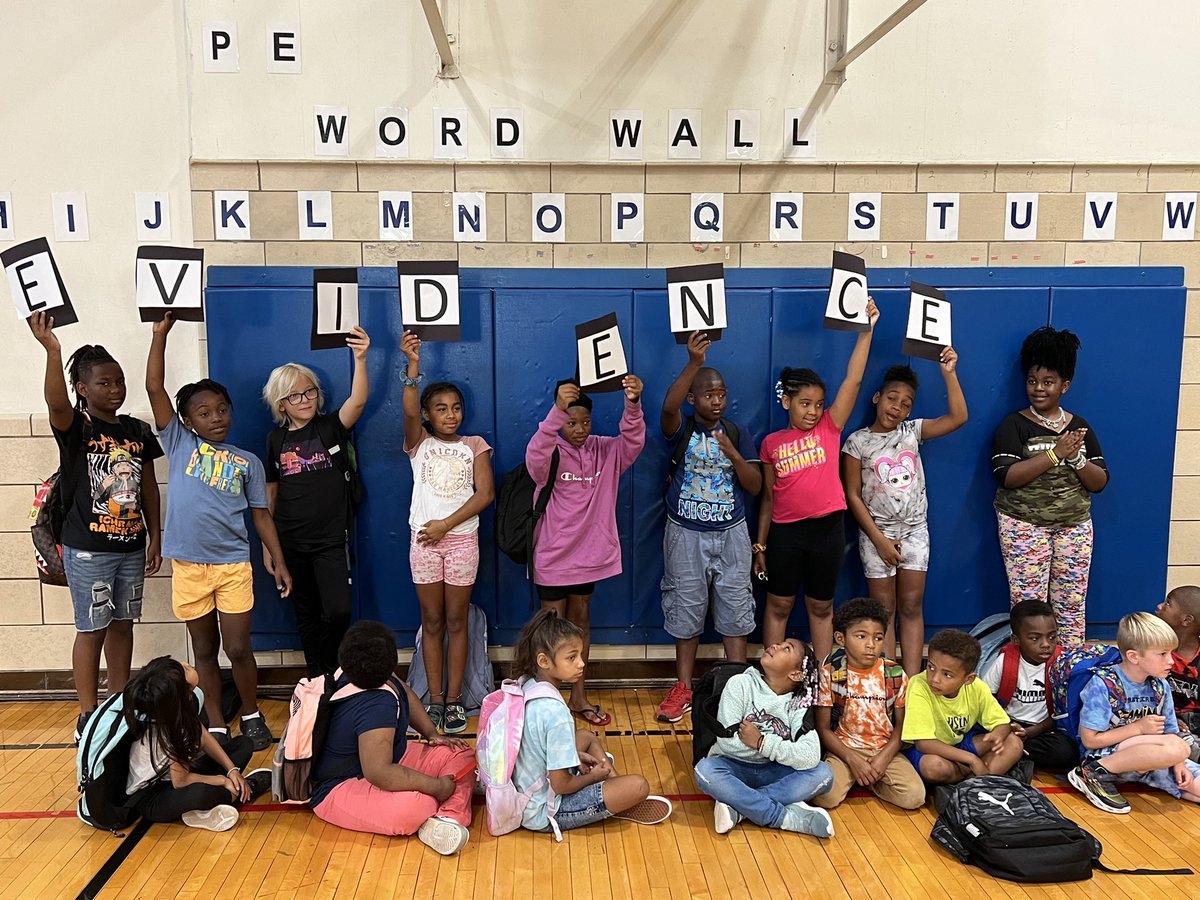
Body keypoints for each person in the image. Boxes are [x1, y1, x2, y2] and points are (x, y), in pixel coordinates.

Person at [146, 312, 292, 750]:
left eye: (222, 410)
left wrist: (279, 562)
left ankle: (250, 713)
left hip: (232, 566)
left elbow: (261, 516)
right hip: (190, 567)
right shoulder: (178, 443)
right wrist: (160, 335)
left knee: (239, 646)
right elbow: (155, 388)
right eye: (204, 412)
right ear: (187, 420)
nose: (216, 418)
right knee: (204, 650)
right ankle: (213, 720)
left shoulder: (246, 461)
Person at [29, 312, 163, 742]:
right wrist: (53, 351)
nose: (116, 389)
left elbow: (148, 489)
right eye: (104, 383)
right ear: (83, 390)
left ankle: (119, 702)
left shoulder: (137, 430)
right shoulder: (77, 428)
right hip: (87, 547)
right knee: (92, 627)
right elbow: (55, 404)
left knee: (123, 624)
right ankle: (87, 713)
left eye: (119, 381)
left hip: (130, 544)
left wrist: (155, 535)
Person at [755, 299, 879, 660]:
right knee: (778, 605)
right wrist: (760, 546)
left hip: (827, 530)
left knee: (822, 608)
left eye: (818, 404)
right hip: (785, 534)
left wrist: (867, 331)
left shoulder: (830, 427)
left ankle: (823, 680)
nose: (813, 411)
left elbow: (853, 379)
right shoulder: (770, 444)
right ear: (787, 403)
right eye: (805, 403)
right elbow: (767, 499)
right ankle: (772, 676)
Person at [526, 376, 645, 727]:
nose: (578, 429)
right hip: (552, 555)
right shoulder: (549, 449)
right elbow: (534, 457)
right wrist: (555, 412)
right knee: (549, 629)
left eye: (585, 422)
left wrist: (633, 403)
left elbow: (633, 441)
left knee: (579, 627)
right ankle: (547, 701)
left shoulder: (605, 450)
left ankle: (578, 697)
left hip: (589, 557)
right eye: (570, 422)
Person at [656, 331, 762, 723]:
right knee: (686, 610)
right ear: (693, 399)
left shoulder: (737, 432)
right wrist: (694, 364)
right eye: (707, 394)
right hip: (685, 532)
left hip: (731, 532)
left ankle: (739, 688)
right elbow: (667, 409)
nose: (716, 400)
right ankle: (683, 687)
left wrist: (733, 452)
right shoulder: (681, 428)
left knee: (736, 608)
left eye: (721, 394)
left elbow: (755, 486)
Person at [841, 352, 967, 674]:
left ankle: (912, 684)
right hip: (876, 534)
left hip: (914, 531)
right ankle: (887, 680)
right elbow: (852, 496)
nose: (897, 407)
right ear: (877, 398)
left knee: (911, 606)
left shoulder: (911, 431)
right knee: (884, 610)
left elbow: (958, 417)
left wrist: (948, 373)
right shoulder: (857, 442)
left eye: (906, 403)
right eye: (892, 398)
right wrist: (880, 541)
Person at [310, 620, 477, 854]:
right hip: (338, 788)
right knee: (419, 804)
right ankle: (441, 812)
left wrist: (432, 734)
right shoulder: (375, 705)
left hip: (387, 762)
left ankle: (447, 820)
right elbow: (379, 772)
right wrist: (437, 787)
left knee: (461, 755)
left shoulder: (355, 672)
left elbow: (405, 693)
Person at [262, 326, 371, 677]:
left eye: (310, 392)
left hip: (329, 541)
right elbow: (271, 496)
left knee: (338, 611)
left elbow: (358, 401)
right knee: (305, 614)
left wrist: (361, 358)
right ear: (281, 404)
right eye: (296, 396)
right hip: (291, 541)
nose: (306, 399)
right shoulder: (275, 440)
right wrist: (270, 550)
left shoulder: (329, 428)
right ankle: (316, 680)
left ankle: (333, 669)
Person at [400, 330, 494, 735]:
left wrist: (445, 525)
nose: (451, 415)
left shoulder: (474, 444)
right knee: (432, 620)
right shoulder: (417, 442)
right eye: (441, 409)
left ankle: (455, 699)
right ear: (427, 415)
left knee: (458, 620)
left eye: (456, 408)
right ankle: (434, 700)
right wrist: (413, 368)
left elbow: (485, 494)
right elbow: (406, 412)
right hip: (423, 543)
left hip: (460, 542)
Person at [992, 326, 1108, 648]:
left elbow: (1100, 482)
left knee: (1071, 605)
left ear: (1065, 385)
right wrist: (1056, 453)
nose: (1038, 389)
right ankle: (1029, 679)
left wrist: (1076, 460)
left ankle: (1067, 673)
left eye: (1048, 382)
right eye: (1032, 381)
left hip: (1074, 527)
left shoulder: (1080, 426)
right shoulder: (1013, 424)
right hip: (1024, 527)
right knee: (1029, 606)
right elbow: (1007, 476)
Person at [510, 609, 671, 834]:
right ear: (544, 661)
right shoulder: (556, 713)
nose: (581, 664)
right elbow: (561, 785)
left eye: (581, 654)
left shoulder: (526, 685)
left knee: (585, 736)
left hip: (522, 793)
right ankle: (619, 800)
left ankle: (615, 792)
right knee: (639, 785)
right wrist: (594, 777)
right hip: (545, 811)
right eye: (571, 657)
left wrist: (574, 758)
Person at [693, 638, 834, 837]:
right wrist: (776, 749)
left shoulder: (798, 703)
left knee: (824, 774)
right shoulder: (740, 683)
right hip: (734, 767)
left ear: (795, 674)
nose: (775, 646)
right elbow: (727, 743)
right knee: (704, 770)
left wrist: (762, 743)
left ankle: (739, 809)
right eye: (780, 643)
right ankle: (782, 817)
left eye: (787, 648)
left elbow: (811, 755)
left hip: (775, 770)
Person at [1068, 612, 1200, 814]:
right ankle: (1091, 774)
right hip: (1107, 758)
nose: (1172, 661)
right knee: (1178, 748)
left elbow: (1171, 732)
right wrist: (1138, 728)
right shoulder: (1103, 684)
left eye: (1171, 653)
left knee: (1180, 753)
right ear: (1134, 657)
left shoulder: (1160, 685)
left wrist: (1179, 764)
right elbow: (1090, 741)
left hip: (1155, 759)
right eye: (1162, 654)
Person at [123, 656, 271, 831]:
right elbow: (181, 781)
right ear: (181, 691)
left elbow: (204, 737)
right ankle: (242, 791)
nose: (186, 664)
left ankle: (210, 805)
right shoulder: (171, 727)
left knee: (243, 745)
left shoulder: (182, 704)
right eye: (184, 669)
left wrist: (232, 771)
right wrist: (222, 780)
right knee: (202, 792)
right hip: (153, 796)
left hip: (173, 776)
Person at [812, 598, 924, 810]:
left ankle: (869, 778)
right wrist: (853, 760)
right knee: (824, 797)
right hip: (844, 750)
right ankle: (859, 775)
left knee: (914, 797)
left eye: (878, 638)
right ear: (840, 638)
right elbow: (823, 729)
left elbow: (902, 726)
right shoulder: (830, 674)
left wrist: (883, 759)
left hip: (884, 750)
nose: (871, 645)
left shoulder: (895, 674)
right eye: (861, 636)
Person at [901, 629, 1023, 785]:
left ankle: (967, 785)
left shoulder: (977, 687)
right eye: (931, 667)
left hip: (960, 745)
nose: (935, 679)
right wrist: (971, 760)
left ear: (968, 679)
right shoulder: (919, 684)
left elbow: (1002, 723)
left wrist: (998, 735)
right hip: (930, 751)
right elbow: (923, 743)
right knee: (934, 767)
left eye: (947, 675)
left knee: (1014, 743)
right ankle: (976, 780)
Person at [980, 600, 1078, 773]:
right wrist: (1004, 726)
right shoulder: (1005, 661)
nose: (1046, 644)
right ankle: (1014, 749)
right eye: (1035, 638)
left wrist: (1030, 732)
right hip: (1008, 724)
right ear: (1016, 639)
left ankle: (1015, 753)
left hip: (1042, 729)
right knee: (983, 737)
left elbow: (1062, 713)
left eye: (1052, 636)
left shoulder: (1062, 664)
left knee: (1065, 752)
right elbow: (984, 699)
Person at [1157, 586, 1200, 761]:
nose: (1160, 606)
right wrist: (1169, 719)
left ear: (1186, 620)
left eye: (1168, 603)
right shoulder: (1153, 650)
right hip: (1164, 724)